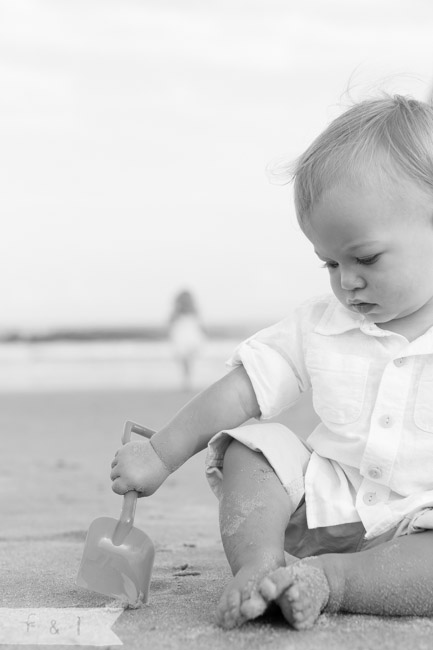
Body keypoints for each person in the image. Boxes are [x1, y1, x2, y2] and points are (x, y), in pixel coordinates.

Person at [110, 95, 433, 631]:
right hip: (318, 508)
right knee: (251, 447)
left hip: (417, 524)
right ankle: (260, 566)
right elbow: (240, 391)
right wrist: (161, 454)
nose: (346, 281)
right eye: (329, 262)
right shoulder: (319, 325)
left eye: (366, 258)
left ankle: (332, 581)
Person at [168, 290, 204, 390]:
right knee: (186, 361)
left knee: (187, 361)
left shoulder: (191, 311)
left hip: (188, 337)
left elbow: (198, 324)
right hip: (184, 337)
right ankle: (187, 381)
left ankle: (187, 381)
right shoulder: (179, 311)